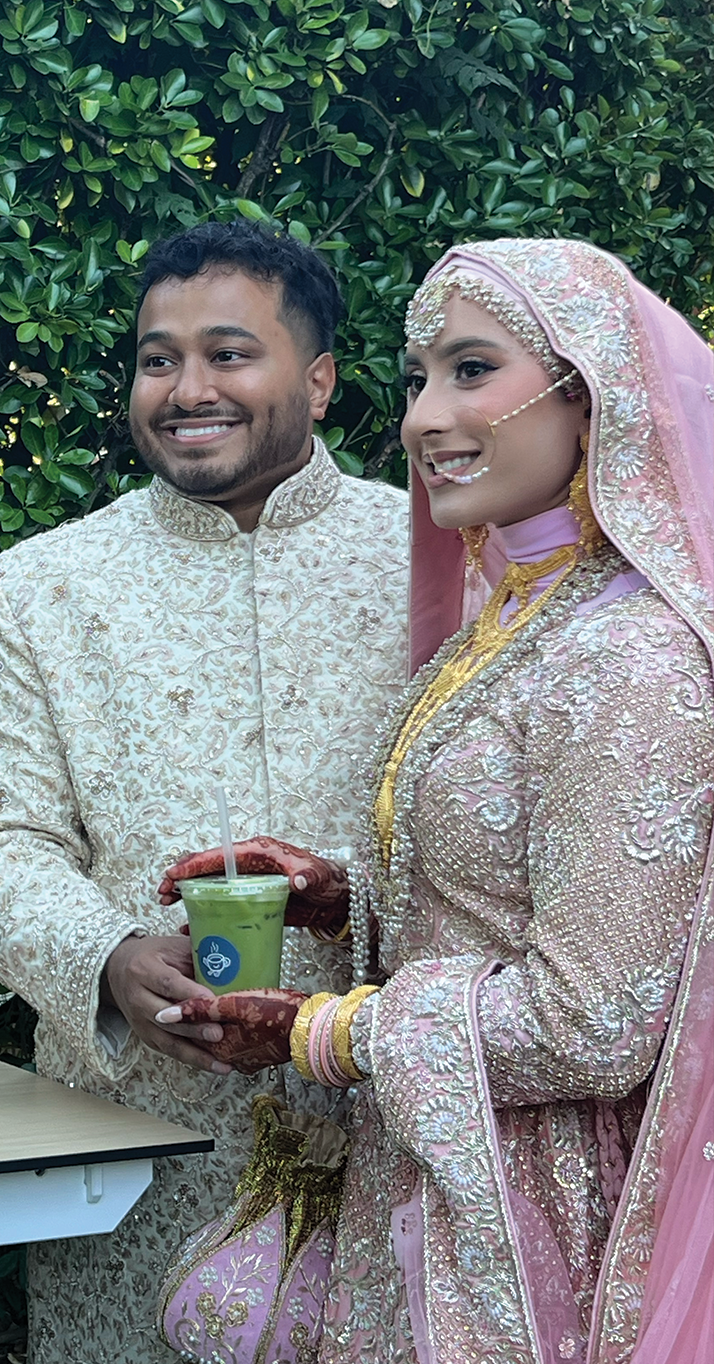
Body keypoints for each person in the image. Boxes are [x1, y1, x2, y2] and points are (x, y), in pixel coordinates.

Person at [163, 237, 714, 1362]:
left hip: (541, 1224)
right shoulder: (512, 626)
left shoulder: (632, 658)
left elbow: (594, 1023)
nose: (421, 417)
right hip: (437, 1183)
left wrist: (323, 1029)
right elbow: (496, 902)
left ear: (591, 389)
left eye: (473, 371)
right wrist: (340, 900)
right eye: (418, 379)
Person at [0, 220, 409, 1363]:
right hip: (141, 1152)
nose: (188, 388)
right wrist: (106, 959)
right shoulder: (47, 588)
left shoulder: (438, 557)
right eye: (159, 359)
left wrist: (361, 909)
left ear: (321, 380)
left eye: (230, 353)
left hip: (393, 1134)